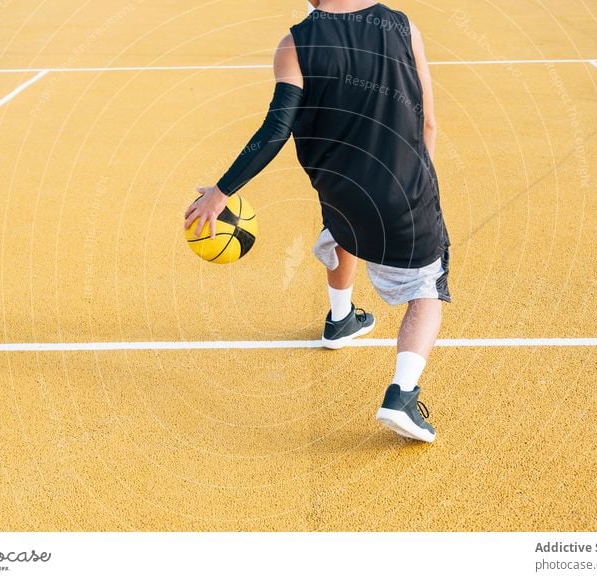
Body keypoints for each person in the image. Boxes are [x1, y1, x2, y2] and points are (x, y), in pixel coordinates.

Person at [183, 0, 450, 443]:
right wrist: (419, 186)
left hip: (339, 189)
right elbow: (429, 124)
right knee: (427, 289)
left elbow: (276, 129)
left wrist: (222, 191)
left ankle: (341, 319)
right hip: (404, 193)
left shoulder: (294, 44)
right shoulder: (404, 28)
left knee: (342, 226)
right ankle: (401, 395)